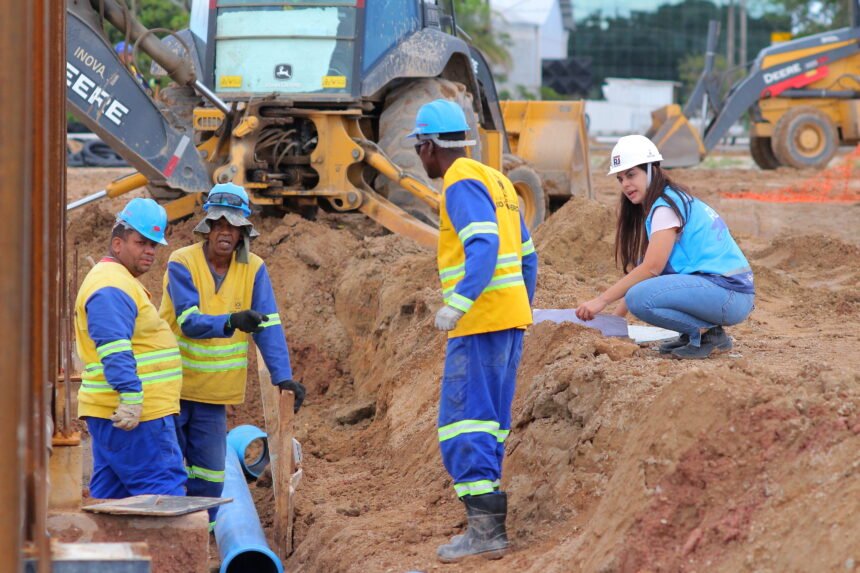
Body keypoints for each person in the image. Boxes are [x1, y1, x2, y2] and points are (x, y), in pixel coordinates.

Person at [410, 99, 538, 562]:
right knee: (491, 422)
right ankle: (488, 523)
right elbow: (528, 257)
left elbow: (483, 244)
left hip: (480, 322)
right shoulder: (497, 180)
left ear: (429, 146)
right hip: (508, 320)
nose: (419, 157)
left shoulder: (459, 181)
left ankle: (485, 531)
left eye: (418, 147)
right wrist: (521, 307)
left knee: (463, 421)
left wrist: (458, 304)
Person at [159, 182, 304, 531]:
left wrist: (283, 377)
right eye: (219, 224)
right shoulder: (182, 262)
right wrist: (231, 321)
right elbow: (188, 321)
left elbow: (268, 326)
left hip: (213, 396)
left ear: (243, 233)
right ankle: (170, 539)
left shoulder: (254, 268)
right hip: (172, 391)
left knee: (210, 477)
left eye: (233, 226)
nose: (225, 232)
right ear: (207, 227)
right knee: (168, 472)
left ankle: (201, 541)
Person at [575, 134, 754, 359]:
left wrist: (601, 301)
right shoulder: (668, 202)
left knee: (640, 298)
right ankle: (694, 334)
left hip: (730, 295)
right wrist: (615, 324)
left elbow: (651, 269)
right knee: (643, 291)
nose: (625, 184)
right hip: (726, 293)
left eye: (631, 174)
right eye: (620, 179)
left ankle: (707, 334)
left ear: (652, 170)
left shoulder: (665, 208)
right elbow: (642, 272)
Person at [74, 198, 186, 498]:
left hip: (118, 413)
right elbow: (114, 347)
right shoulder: (111, 285)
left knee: (112, 499)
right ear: (118, 243)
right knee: (162, 494)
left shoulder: (117, 281)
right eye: (141, 242)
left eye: (153, 245)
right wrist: (131, 398)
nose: (149, 251)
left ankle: (105, 533)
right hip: (136, 416)